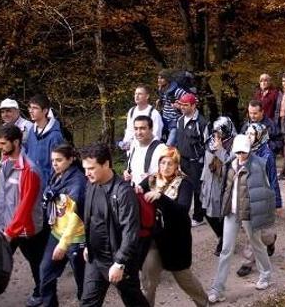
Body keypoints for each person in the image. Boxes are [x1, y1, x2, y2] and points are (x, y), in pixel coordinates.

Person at [208, 135, 276, 304]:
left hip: (249, 212)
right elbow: (223, 166)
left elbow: (265, 191)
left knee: (257, 244)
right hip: (231, 212)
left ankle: (266, 275)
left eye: (243, 152)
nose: (240, 155)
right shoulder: (230, 161)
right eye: (237, 151)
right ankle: (218, 289)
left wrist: (265, 215)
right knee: (226, 250)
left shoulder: (258, 165)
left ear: (249, 150)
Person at [81, 143, 149, 307]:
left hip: (118, 260)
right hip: (95, 258)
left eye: (91, 168)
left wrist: (119, 263)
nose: (86, 173)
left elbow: (130, 232)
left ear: (105, 164)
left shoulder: (123, 193)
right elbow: (90, 220)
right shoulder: (91, 185)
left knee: (133, 300)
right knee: (88, 302)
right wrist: (87, 245)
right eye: (85, 168)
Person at [137, 147, 206, 307]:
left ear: (177, 165)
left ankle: (204, 303)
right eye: (163, 163)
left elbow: (182, 209)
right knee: (148, 282)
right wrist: (137, 188)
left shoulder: (184, 182)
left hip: (176, 241)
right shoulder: (151, 180)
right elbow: (138, 191)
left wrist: (161, 197)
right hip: (153, 240)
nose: (166, 167)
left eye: (170, 163)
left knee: (185, 279)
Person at [0, 124, 47, 307]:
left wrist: (9, 232)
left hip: (26, 228)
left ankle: (43, 293)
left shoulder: (29, 171)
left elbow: (25, 206)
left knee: (37, 263)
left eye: (2, 144)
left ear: (15, 142)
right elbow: (4, 197)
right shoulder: (5, 163)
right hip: (9, 225)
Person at [39, 144, 86, 307]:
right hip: (56, 232)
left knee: (83, 283)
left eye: (59, 160)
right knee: (45, 274)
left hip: (74, 238)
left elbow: (75, 216)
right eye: (53, 160)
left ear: (71, 159)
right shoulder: (57, 176)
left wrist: (63, 244)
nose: (54, 164)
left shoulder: (77, 182)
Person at [236, 123, 280, 278]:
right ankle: (248, 262)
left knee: (265, 232)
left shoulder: (266, 154)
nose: (248, 137)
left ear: (259, 135)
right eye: (246, 133)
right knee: (251, 231)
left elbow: (273, 179)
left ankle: (270, 240)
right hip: (247, 195)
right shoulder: (242, 152)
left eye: (252, 134)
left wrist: (277, 202)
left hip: (263, 197)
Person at [172, 93, 210, 227]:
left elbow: (207, 145)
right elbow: (178, 140)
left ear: (193, 106)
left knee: (197, 189)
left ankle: (199, 217)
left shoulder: (202, 122)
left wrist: (204, 163)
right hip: (182, 160)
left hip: (196, 161)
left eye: (185, 105)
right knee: (181, 187)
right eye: (181, 104)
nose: (182, 107)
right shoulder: (180, 120)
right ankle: (181, 215)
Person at [202, 117, 237, 257]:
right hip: (209, 182)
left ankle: (225, 240)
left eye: (220, 132)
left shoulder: (235, 143)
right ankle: (222, 236)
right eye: (215, 132)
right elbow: (206, 159)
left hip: (225, 183)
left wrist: (221, 149)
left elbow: (231, 161)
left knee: (223, 213)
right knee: (206, 211)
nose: (217, 136)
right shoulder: (211, 141)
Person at [24, 94, 65, 183]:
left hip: (45, 185)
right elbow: (27, 153)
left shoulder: (55, 136)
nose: (31, 111)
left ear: (45, 111)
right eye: (30, 108)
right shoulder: (31, 130)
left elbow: (57, 166)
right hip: (29, 181)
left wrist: (50, 187)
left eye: (35, 108)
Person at [123, 116, 167, 186]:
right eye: (136, 129)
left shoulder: (161, 149)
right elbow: (130, 168)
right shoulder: (134, 145)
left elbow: (170, 176)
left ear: (151, 129)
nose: (138, 132)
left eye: (142, 128)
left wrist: (153, 178)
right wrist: (127, 173)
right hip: (134, 191)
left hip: (152, 193)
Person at [119, 86, 163, 151]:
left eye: (140, 94)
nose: (136, 96)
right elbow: (129, 130)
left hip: (147, 150)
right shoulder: (132, 111)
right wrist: (125, 143)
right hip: (132, 151)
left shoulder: (153, 113)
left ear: (147, 96)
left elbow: (156, 135)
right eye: (135, 94)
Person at [157, 69, 185, 145]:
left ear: (167, 79)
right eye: (158, 78)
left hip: (175, 122)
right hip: (164, 121)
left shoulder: (177, 91)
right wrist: (159, 102)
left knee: (169, 145)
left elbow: (193, 101)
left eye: (161, 78)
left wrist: (179, 106)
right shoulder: (161, 90)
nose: (159, 80)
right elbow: (165, 103)